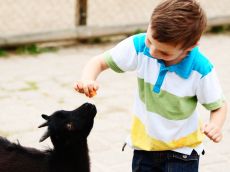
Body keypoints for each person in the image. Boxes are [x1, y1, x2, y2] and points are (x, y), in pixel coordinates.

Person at [74, 0, 227, 171]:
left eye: (163, 52)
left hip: (182, 153)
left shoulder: (200, 70)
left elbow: (218, 106)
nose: (152, 52)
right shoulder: (140, 46)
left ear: (189, 48)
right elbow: (99, 62)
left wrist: (215, 125)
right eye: (150, 40)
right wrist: (88, 78)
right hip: (144, 148)